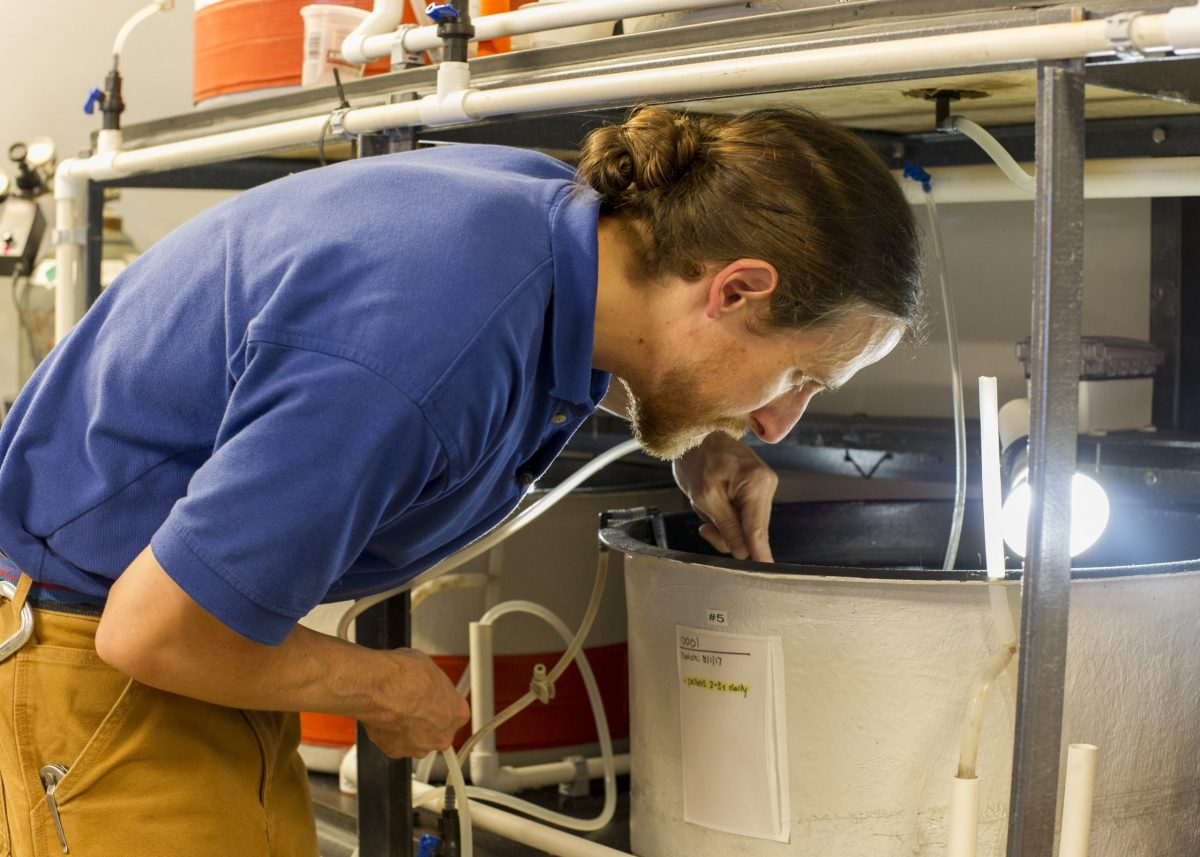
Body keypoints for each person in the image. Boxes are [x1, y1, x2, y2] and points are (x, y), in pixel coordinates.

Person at [0, 105, 920, 854]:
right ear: (735, 289)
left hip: (186, 649)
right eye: (798, 377)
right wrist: (381, 687)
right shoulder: (419, 346)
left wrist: (698, 434)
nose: (777, 422)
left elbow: (532, 346)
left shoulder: (545, 222)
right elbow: (154, 631)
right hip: (109, 661)